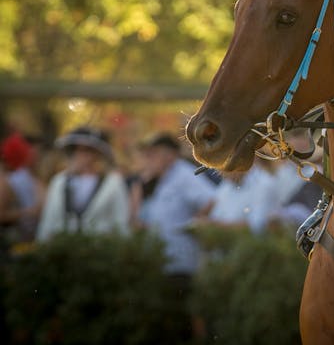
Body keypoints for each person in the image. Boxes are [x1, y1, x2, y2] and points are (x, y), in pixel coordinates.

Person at [136, 132, 216, 342]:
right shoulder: (162, 179)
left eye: (153, 154)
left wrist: (194, 224)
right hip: (165, 264)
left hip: (182, 264)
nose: (149, 158)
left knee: (180, 326)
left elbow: (211, 201)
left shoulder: (183, 175)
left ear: (169, 155)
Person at [36, 126, 129, 241]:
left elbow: (121, 221)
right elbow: (49, 219)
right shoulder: (60, 181)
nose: (81, 155)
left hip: (99, 249)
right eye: (76, 150)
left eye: (87, 150)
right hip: (63, 248)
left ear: (97, 153)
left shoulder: (113, 182)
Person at [0, 131, 45, 245]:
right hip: (12, 241)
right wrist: (29, 212)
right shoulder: (7, 180)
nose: (36, 157)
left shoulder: (31, 178)